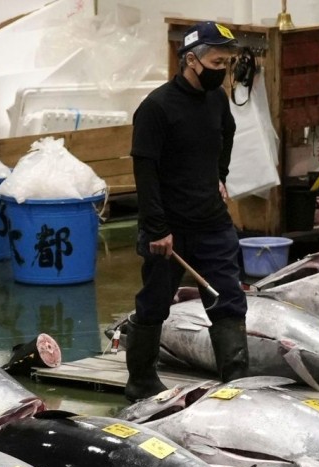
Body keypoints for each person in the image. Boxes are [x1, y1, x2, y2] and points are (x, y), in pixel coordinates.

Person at [125, 20, 246, 402]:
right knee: (155, 302)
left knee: (228, 298)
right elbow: (145, 171)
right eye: (216, 61)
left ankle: (238, 385)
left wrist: (220, 176)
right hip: (169, 229)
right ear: (191, 60)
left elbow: (225, 136)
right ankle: (141, 381)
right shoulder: (156, 108)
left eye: (227, 62)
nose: (222, 69)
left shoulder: (217, 100)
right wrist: (156, 227)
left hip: (212, 222)